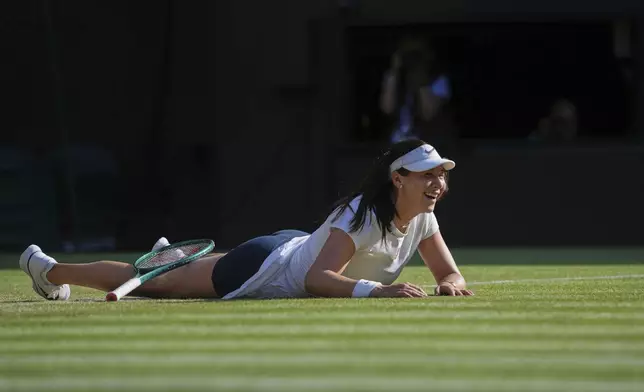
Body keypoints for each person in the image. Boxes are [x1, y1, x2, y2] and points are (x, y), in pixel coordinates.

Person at [19, 139, 473, 301]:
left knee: (164, 269)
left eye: (440, 176)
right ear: (398, 179)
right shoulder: (361, 214)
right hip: (265, 267)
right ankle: (47, 270)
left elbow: (446, 270)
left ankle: (167, 256)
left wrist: (450, 282)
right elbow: (318, 278)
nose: (438, 185)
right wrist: (380, 290)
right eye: (427, 176)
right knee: (149, 282)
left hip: (292, 244)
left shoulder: (422, 218)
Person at [380, 38, 452, 144]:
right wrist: (395, 72)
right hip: (398, 143)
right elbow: (387, 108)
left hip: (427, 146)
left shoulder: (439, 81)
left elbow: (428, 114)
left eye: (416, 56)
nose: (412, 61)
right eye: (408, 56)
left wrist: (420, 81)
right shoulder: (395, 79)